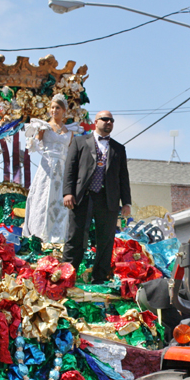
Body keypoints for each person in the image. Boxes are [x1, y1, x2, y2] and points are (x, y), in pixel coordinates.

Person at [62, 110, 131, 284]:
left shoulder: (119, 148)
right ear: (96, 121)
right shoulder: (79, 142)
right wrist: (68, 192)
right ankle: (68, 275)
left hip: (107, 199)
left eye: (112, 120)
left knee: (106, 239)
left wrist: (127, 202)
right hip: (82, 197)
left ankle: (99, 278)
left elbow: (123, 177)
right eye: (105, 119)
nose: (109, 122)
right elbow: (70, 169)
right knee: (75, 235)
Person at [22, 94, 83, 243]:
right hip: (47, 167)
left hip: (62, 169)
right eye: (52, 107)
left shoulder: (70, 131)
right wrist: (33, 140)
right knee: (43, 197)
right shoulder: (44, 127)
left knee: (59, 200)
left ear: (63, 111)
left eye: (57, 108)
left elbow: (71, 153)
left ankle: (58, 237)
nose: (54, 110)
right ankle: (39, 233)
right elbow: (35, 145)